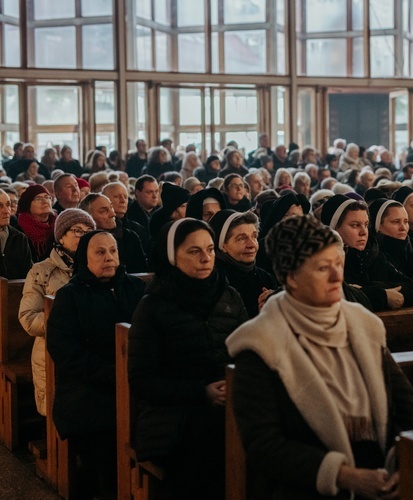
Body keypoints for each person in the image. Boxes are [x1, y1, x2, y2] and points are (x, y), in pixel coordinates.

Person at [225, 214, 413, 499]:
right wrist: (343, 476)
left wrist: (404, 460)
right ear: (291, 276)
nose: (336, 277)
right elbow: (264, 445)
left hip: (383, 478)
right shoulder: (260, 344)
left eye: (338, 264)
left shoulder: (363, 325)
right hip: (304, 489)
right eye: (322, 268)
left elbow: (405, 403)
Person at [128, 218, 248, 498]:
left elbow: (248, 351)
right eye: (195, 251)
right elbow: (142, 380)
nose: (206, 258)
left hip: (228, 403)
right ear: (173, 256)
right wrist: (201, 392)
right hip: (173, 416)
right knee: (208, 449)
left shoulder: (228, 296)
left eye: (209, 249)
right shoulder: (153, 307)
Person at [46, 231, 145, 498]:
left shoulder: (136, 289)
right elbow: (66, 352)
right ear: (85, 259)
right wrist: (116, 376)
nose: (109, 258)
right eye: (100, 252)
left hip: (136, 384)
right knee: (106, 444)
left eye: (113, 251)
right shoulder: (71, 296)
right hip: (88, 390)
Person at [19, 209, 95, 416]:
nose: (84, 236)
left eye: (89, 232)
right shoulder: (41, 271)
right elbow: (28, 318)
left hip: (91, 353)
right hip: (52, 354)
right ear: (60, 236)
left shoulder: (98, 270)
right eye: (78, 231)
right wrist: (65, 321)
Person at [321, 195, 413, 311]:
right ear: (334, 229)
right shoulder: (326, 262)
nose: (363, 232)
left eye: (366, 225)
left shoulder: (374, 255)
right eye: (355, 225)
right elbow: (339, 298)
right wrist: (383, 295)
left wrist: (367, 290)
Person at [209, 210, 277, 318]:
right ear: (223, 245)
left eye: (254, 236)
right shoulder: (214, 280)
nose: (252, 244)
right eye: (241, 238)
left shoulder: (265, 277)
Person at [80, 193, 149, 273]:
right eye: (104, 211)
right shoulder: (81, 240)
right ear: (88, 217)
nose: (113, 214)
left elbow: (142, 274)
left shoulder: (130, 237)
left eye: (111, 208)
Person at [16, 184, 56, 262]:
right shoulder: (19, 232)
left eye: (47, 197)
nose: (45, 201)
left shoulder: (60, 225)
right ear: (28, 205)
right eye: (38, 198)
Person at [0, 188, 33, 278]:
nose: (7, 211)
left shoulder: (20, 238)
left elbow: (28, 276)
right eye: (0, 206)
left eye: (8, 205)